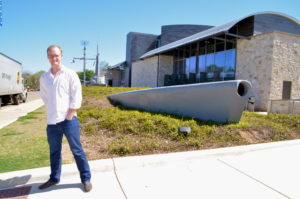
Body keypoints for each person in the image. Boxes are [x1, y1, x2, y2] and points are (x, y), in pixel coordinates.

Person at [39, 45, 92, 192]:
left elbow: (77, 96)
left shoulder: (70, 74)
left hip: (69, 121)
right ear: (47, 57)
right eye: (51, 56)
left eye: (56, 55)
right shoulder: (44, 78)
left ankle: (86, 179)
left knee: (77, 151)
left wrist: (69, 115)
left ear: (61, 55)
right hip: (52, 122)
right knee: (54, 152)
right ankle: (54, 178)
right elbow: (45, 97)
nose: (54, 58)